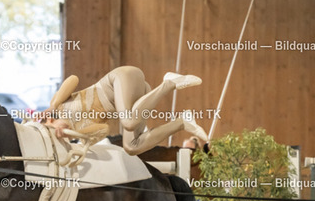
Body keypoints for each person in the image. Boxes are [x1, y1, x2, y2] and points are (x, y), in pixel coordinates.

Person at [39, 66, 208, 156]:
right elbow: (104, 130)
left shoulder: (58, 105)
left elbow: (73, 79)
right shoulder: (79, 134)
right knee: (132, 147)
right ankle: (182, 122)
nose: (60, 135)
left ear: (50, 121)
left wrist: (53, 106)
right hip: (135, 99)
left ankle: (169, 83)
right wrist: (75, 134)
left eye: (52, 131)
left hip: (120, 78)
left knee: (129, 122)